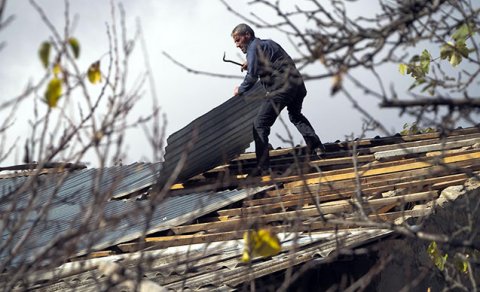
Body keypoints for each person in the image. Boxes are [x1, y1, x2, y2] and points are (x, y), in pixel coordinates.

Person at [232, 23, 326, 175]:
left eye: (238, 40)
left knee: (260, 125)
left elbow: (251, 77)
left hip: (281, 87)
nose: (237, 45)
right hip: (297, 84)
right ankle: (317, 147)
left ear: (247, 36)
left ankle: (263, 168)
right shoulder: (268, 43)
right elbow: (274, 62)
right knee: (295, 115)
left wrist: (240, 90)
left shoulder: (252, 48)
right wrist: (252, 63)